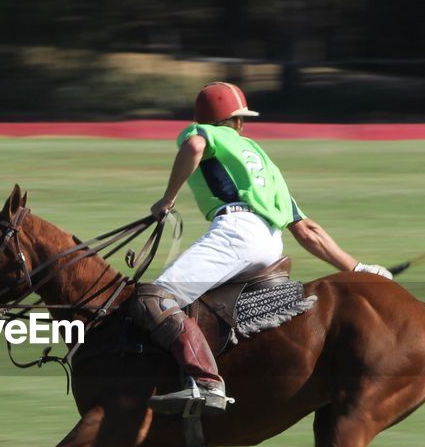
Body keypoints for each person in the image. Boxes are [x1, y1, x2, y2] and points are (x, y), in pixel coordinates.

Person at [131, 81, 394, 416]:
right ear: (235, 120)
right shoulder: (263, 162)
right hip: (271, 244)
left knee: (154, 298)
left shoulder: (204, 132)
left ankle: (207, 383)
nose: (242, 125)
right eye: (240, 118)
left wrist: (167, 201)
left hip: (236, 232)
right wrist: (358, 269)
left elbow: (195, 146)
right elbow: (306, 230)